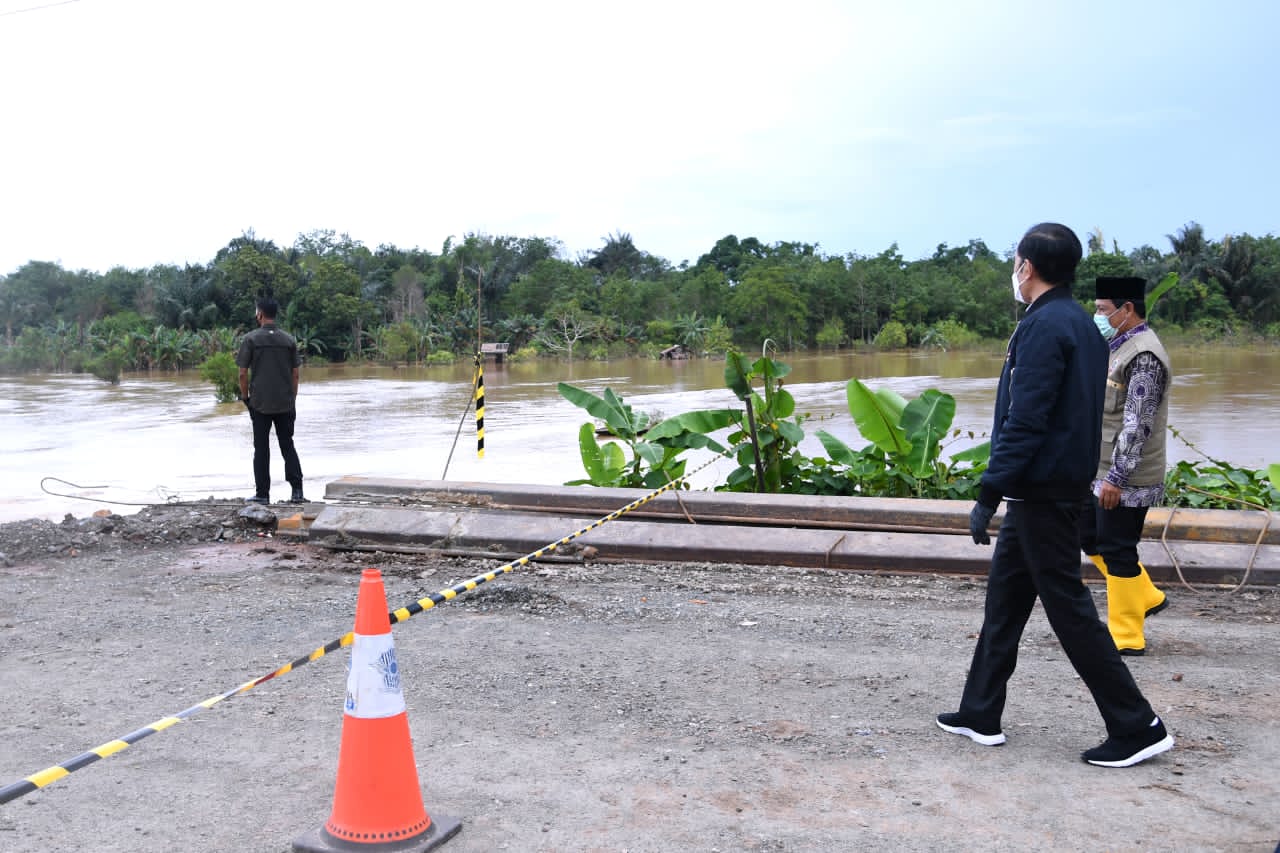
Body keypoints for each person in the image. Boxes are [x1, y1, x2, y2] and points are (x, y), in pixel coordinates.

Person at [936, 223, 1173, 768]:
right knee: (1005, 602)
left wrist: (989, 491)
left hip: (1043, 491)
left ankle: (1136, 725)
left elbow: (1027, 420)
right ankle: (980, 711)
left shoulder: (1044, 327)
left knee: (1069, 609)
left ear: (1028, 266)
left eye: (1016, 263)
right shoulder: (1081, 325)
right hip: (1049, 488)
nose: (1014, 272)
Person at [1080, 275, 1171, 655]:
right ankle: (1145, 594)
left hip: (1127, 476)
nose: (1098, 316)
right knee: (1088, 535)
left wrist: (1116, 478)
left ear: (1127, 309)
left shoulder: (1144, 356)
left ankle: (1127, 635)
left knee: (1117, 549)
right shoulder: (1117, 346)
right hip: (1102, 469)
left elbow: (1137, 425)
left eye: (1103, 310)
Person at [236, 297, 306, 504]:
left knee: (261, 449)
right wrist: (292, 399)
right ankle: (297, 492)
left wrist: (246, 398)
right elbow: (295, 374)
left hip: (259, 403)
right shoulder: (288, 340)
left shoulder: (251, 339)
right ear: (275, 314)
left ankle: (263, 494)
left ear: (260, 314)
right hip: (285, 402)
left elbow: (242, 373)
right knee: (287, 445)